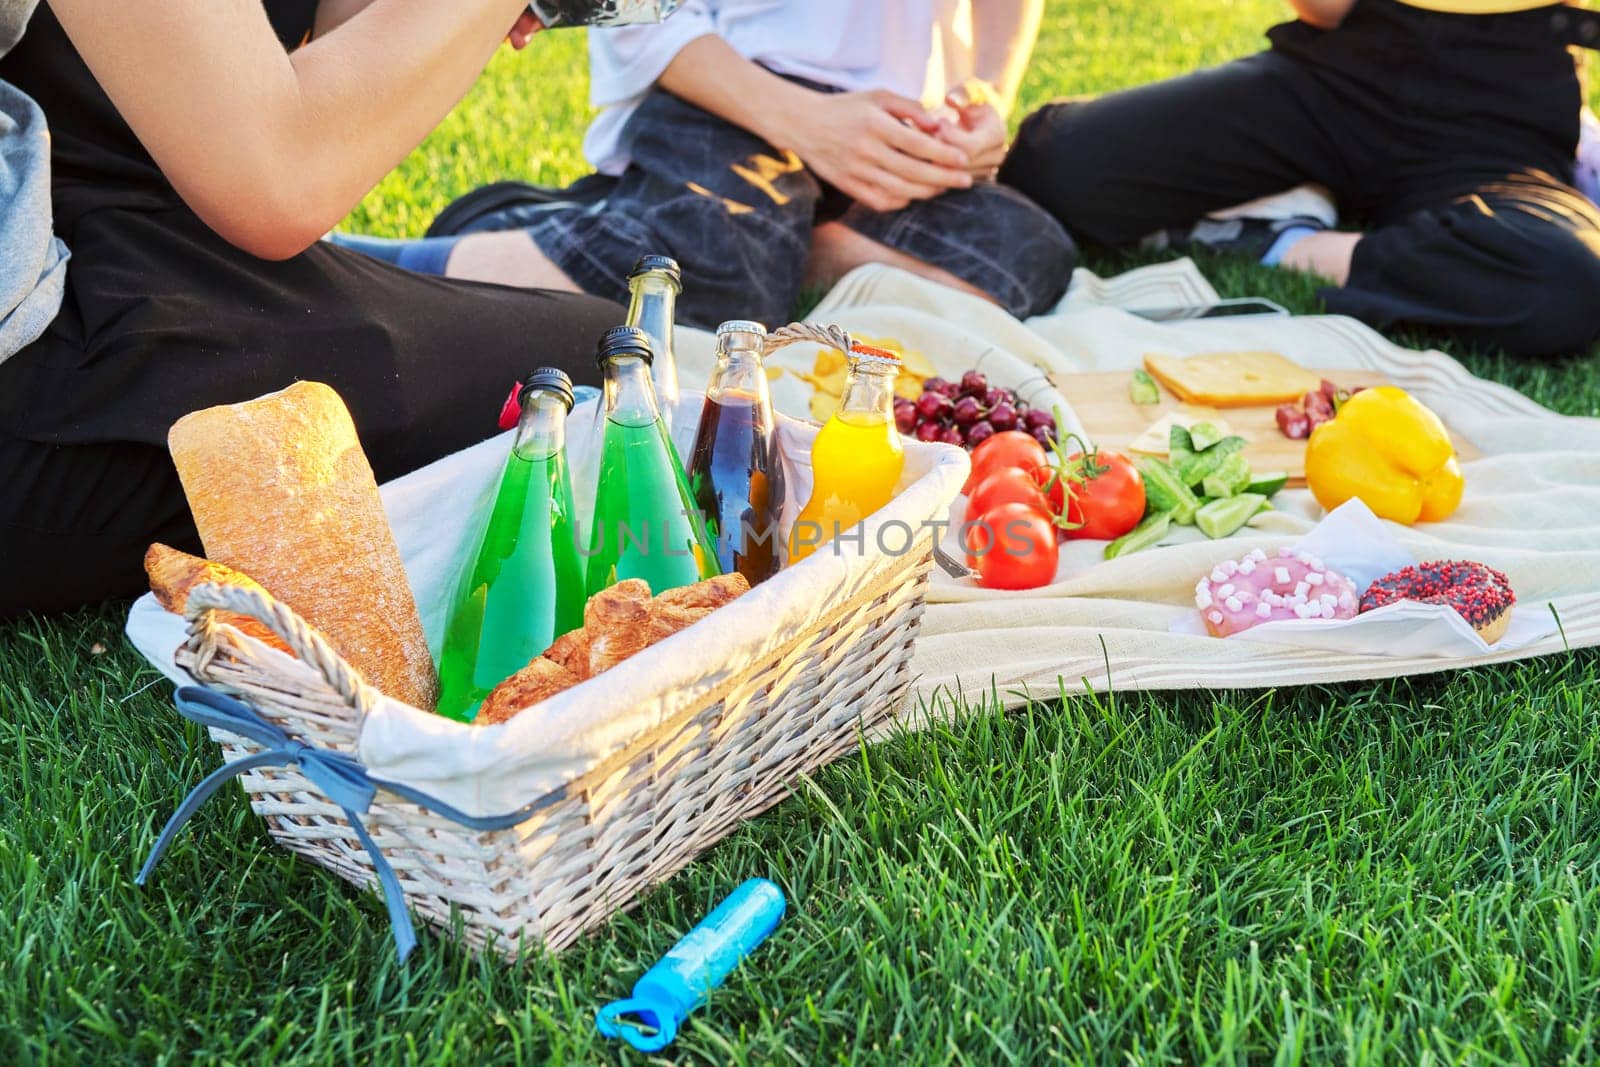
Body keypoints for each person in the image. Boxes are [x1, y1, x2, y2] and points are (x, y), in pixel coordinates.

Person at [0, 1, 627, 619]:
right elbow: (281, 178)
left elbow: (331, 52)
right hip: (43, 335)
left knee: (590, 346)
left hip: (110, 224)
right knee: (586, 369)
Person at [337, 0, 1078, 329]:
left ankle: (754, 237)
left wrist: (983, 97)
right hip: (726, 97)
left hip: (888, 135)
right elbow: (638, 16)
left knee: (1027, 258)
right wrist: (809, 124)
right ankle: (351, 267)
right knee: (724, 276)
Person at [999, 0, 1600, 359]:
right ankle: (1310, 200)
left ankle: (1286, 240)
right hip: (1341, 70)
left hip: (1502, 111)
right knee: (1055, 167)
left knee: (1564, 283)